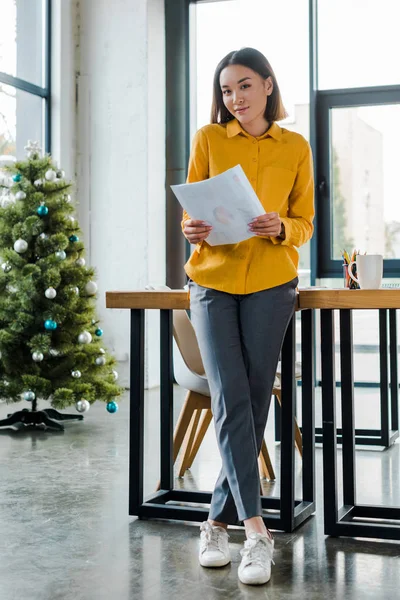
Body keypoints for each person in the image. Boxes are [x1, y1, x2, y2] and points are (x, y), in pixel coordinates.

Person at [181, 47, 314, 586]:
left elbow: (305, 221)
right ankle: (256, 530)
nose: (233, 99)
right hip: (211, 281)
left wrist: (280, 228)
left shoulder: (296, 146)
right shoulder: (209, 139)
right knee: (231, 396)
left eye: (243, 87)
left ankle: (214, 521)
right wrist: (191, 230)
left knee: (253, 399)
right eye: (225, 90)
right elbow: (193, 213)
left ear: (267, 85)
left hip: (271, 285)